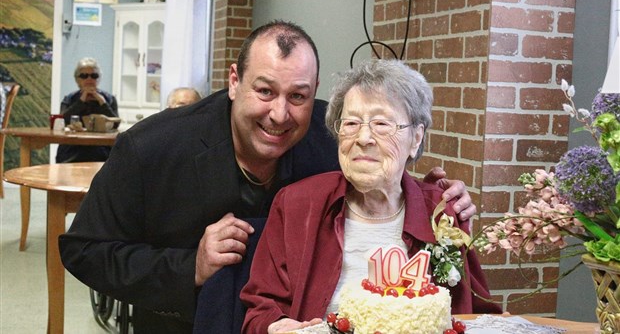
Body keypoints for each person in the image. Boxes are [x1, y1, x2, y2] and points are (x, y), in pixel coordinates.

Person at [59, 21, 476, 334]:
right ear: (234, 81)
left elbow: (381, 163)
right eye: (264, 91)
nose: (280, 114)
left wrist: (432, 194)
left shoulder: (332, 133)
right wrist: (191, 267)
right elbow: (84, 250)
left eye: (298, 96)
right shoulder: (152, 148)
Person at [240, 59, 501, 334]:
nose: (363, 137)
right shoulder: (297, 205)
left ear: (416, 138)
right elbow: (260, 308)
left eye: (381, 123)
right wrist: (275, 326)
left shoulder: (442, 214)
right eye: (351, 123)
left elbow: (480, 316)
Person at [56, 57, 119, 163]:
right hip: (72, 150)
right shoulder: (70, 98)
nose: (89, 79)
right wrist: (81, 101)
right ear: (77, 80)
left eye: (94, 76)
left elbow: (115, 124)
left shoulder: (108, 98)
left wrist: (102, 103)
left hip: (101, 151)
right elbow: (63, 121)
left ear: (98, 79)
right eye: (84, 76)